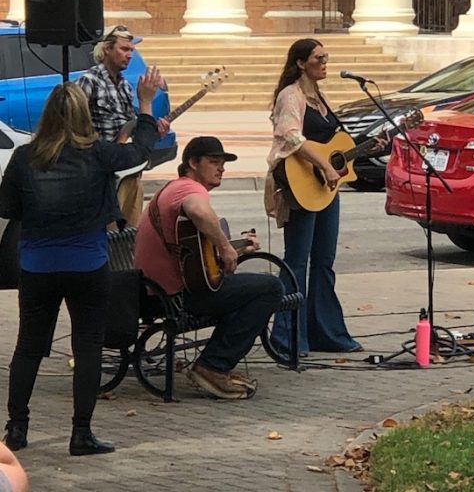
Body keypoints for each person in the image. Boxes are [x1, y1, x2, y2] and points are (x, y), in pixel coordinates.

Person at [0, 79, 159, 456]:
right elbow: (139, 153)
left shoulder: (25, 157)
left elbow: (7, 208)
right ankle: (81, 434)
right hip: (87, 262)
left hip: (38, 264)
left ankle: (17, 429)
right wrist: (147, 105)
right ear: (84, 116)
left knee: (28, 347)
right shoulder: (99, 154)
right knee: (87, 347)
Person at [134, 136, 284, 400]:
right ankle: (212, 366)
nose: (221, 168)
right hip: (173, 297)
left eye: (223, 163)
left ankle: (217, 363)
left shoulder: (174, 189)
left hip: (161, 292)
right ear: (192, 163)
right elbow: (200, 212)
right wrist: (226, 248)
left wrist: (234, 248)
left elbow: (193, 254)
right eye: (214, 162)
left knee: (249, 288)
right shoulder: (189, 189)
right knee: (270, 287)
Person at [265, 38, 386, 357]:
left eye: (326, 56)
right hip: (300, 184)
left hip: (325, 189)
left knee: (324, 261)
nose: (325, 62)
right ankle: (288, 338)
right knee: (297, 260)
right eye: (319, 57)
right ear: (301, 63)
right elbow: (289, 136)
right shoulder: (290, 96)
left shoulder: (321, 97)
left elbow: (331, 144)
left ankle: (324, 332)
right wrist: (322, 165)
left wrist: (365, 148)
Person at [76, 25, 170, 227]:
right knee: (107, 234)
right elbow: (74, 126)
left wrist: (152, 131)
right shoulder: (89, 81)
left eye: (131, 50)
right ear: (107, 49)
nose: (130, 55)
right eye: (124, 49)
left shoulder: (125, 85)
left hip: (129, 171)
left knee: (129, 235)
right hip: (103, 174)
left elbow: (129, 128)